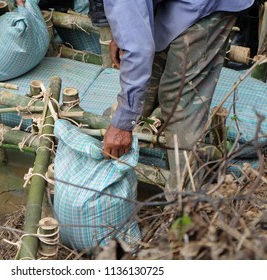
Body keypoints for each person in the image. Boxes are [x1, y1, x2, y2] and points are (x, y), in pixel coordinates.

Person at [102, 0, 254, 196]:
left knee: (179, 103)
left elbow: (138, 50)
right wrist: (124, 31)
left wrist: (123, 124)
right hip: (172, 6)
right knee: (145, 88)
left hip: (207, 5)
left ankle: (184, 212)